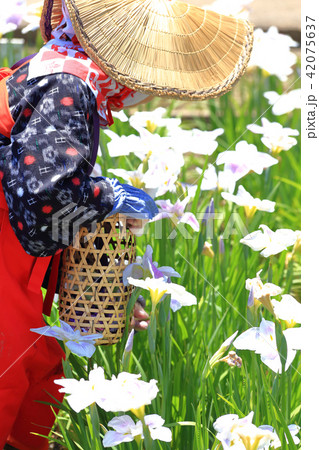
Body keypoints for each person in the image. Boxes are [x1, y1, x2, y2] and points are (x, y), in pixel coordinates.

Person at [0, 0, 253, 448]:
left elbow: (34, 189)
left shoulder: (51, 68)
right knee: (12, 379)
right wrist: (107, 197)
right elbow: (43, 203)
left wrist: (97, 291)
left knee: (38, 372)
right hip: (6, 270)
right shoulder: (68, 85)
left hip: (16, 266)